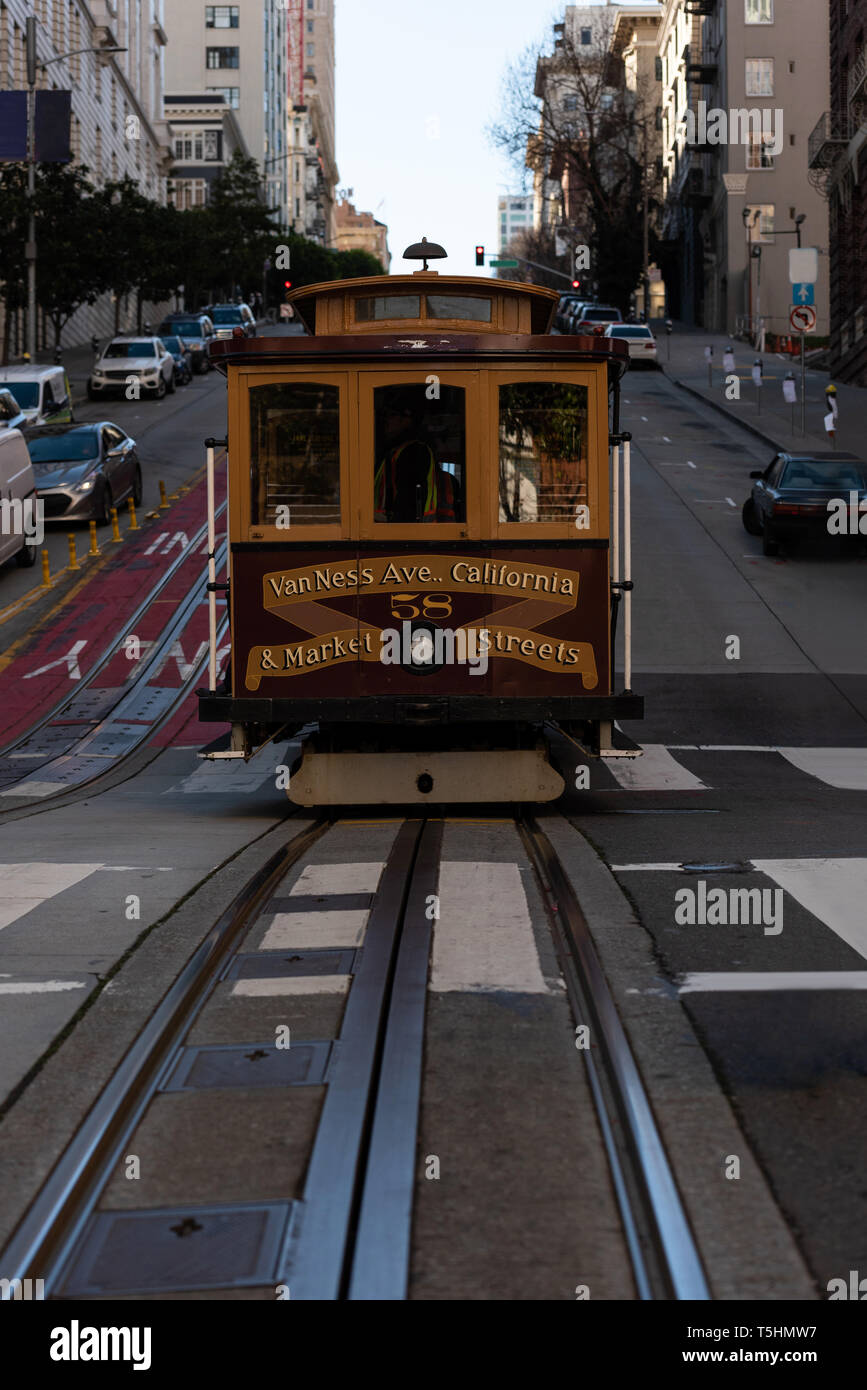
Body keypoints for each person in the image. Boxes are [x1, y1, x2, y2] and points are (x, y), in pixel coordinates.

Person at [374, 398, 459, 522]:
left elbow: (408, 501)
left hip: (400, 535)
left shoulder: (412, 452)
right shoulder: (396, 452)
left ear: (407, 421)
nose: (387, 420)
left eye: (392, 415)